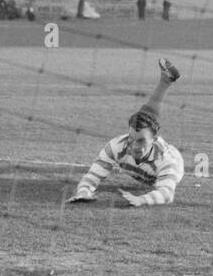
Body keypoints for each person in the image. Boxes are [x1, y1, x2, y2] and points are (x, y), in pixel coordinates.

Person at [67, 59, 185, 208]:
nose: (134, 146)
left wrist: (142, 200)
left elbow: (167, 194)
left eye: (141, 141)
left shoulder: (167, 159)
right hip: (143, 162)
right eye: (132, 138)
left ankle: (165, 81)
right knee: (144, 119)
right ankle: (165, 81)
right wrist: (83, 192)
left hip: (166, 166)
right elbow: (93, 175)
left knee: (146, 120)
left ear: (155, 139)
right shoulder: (117, 146)